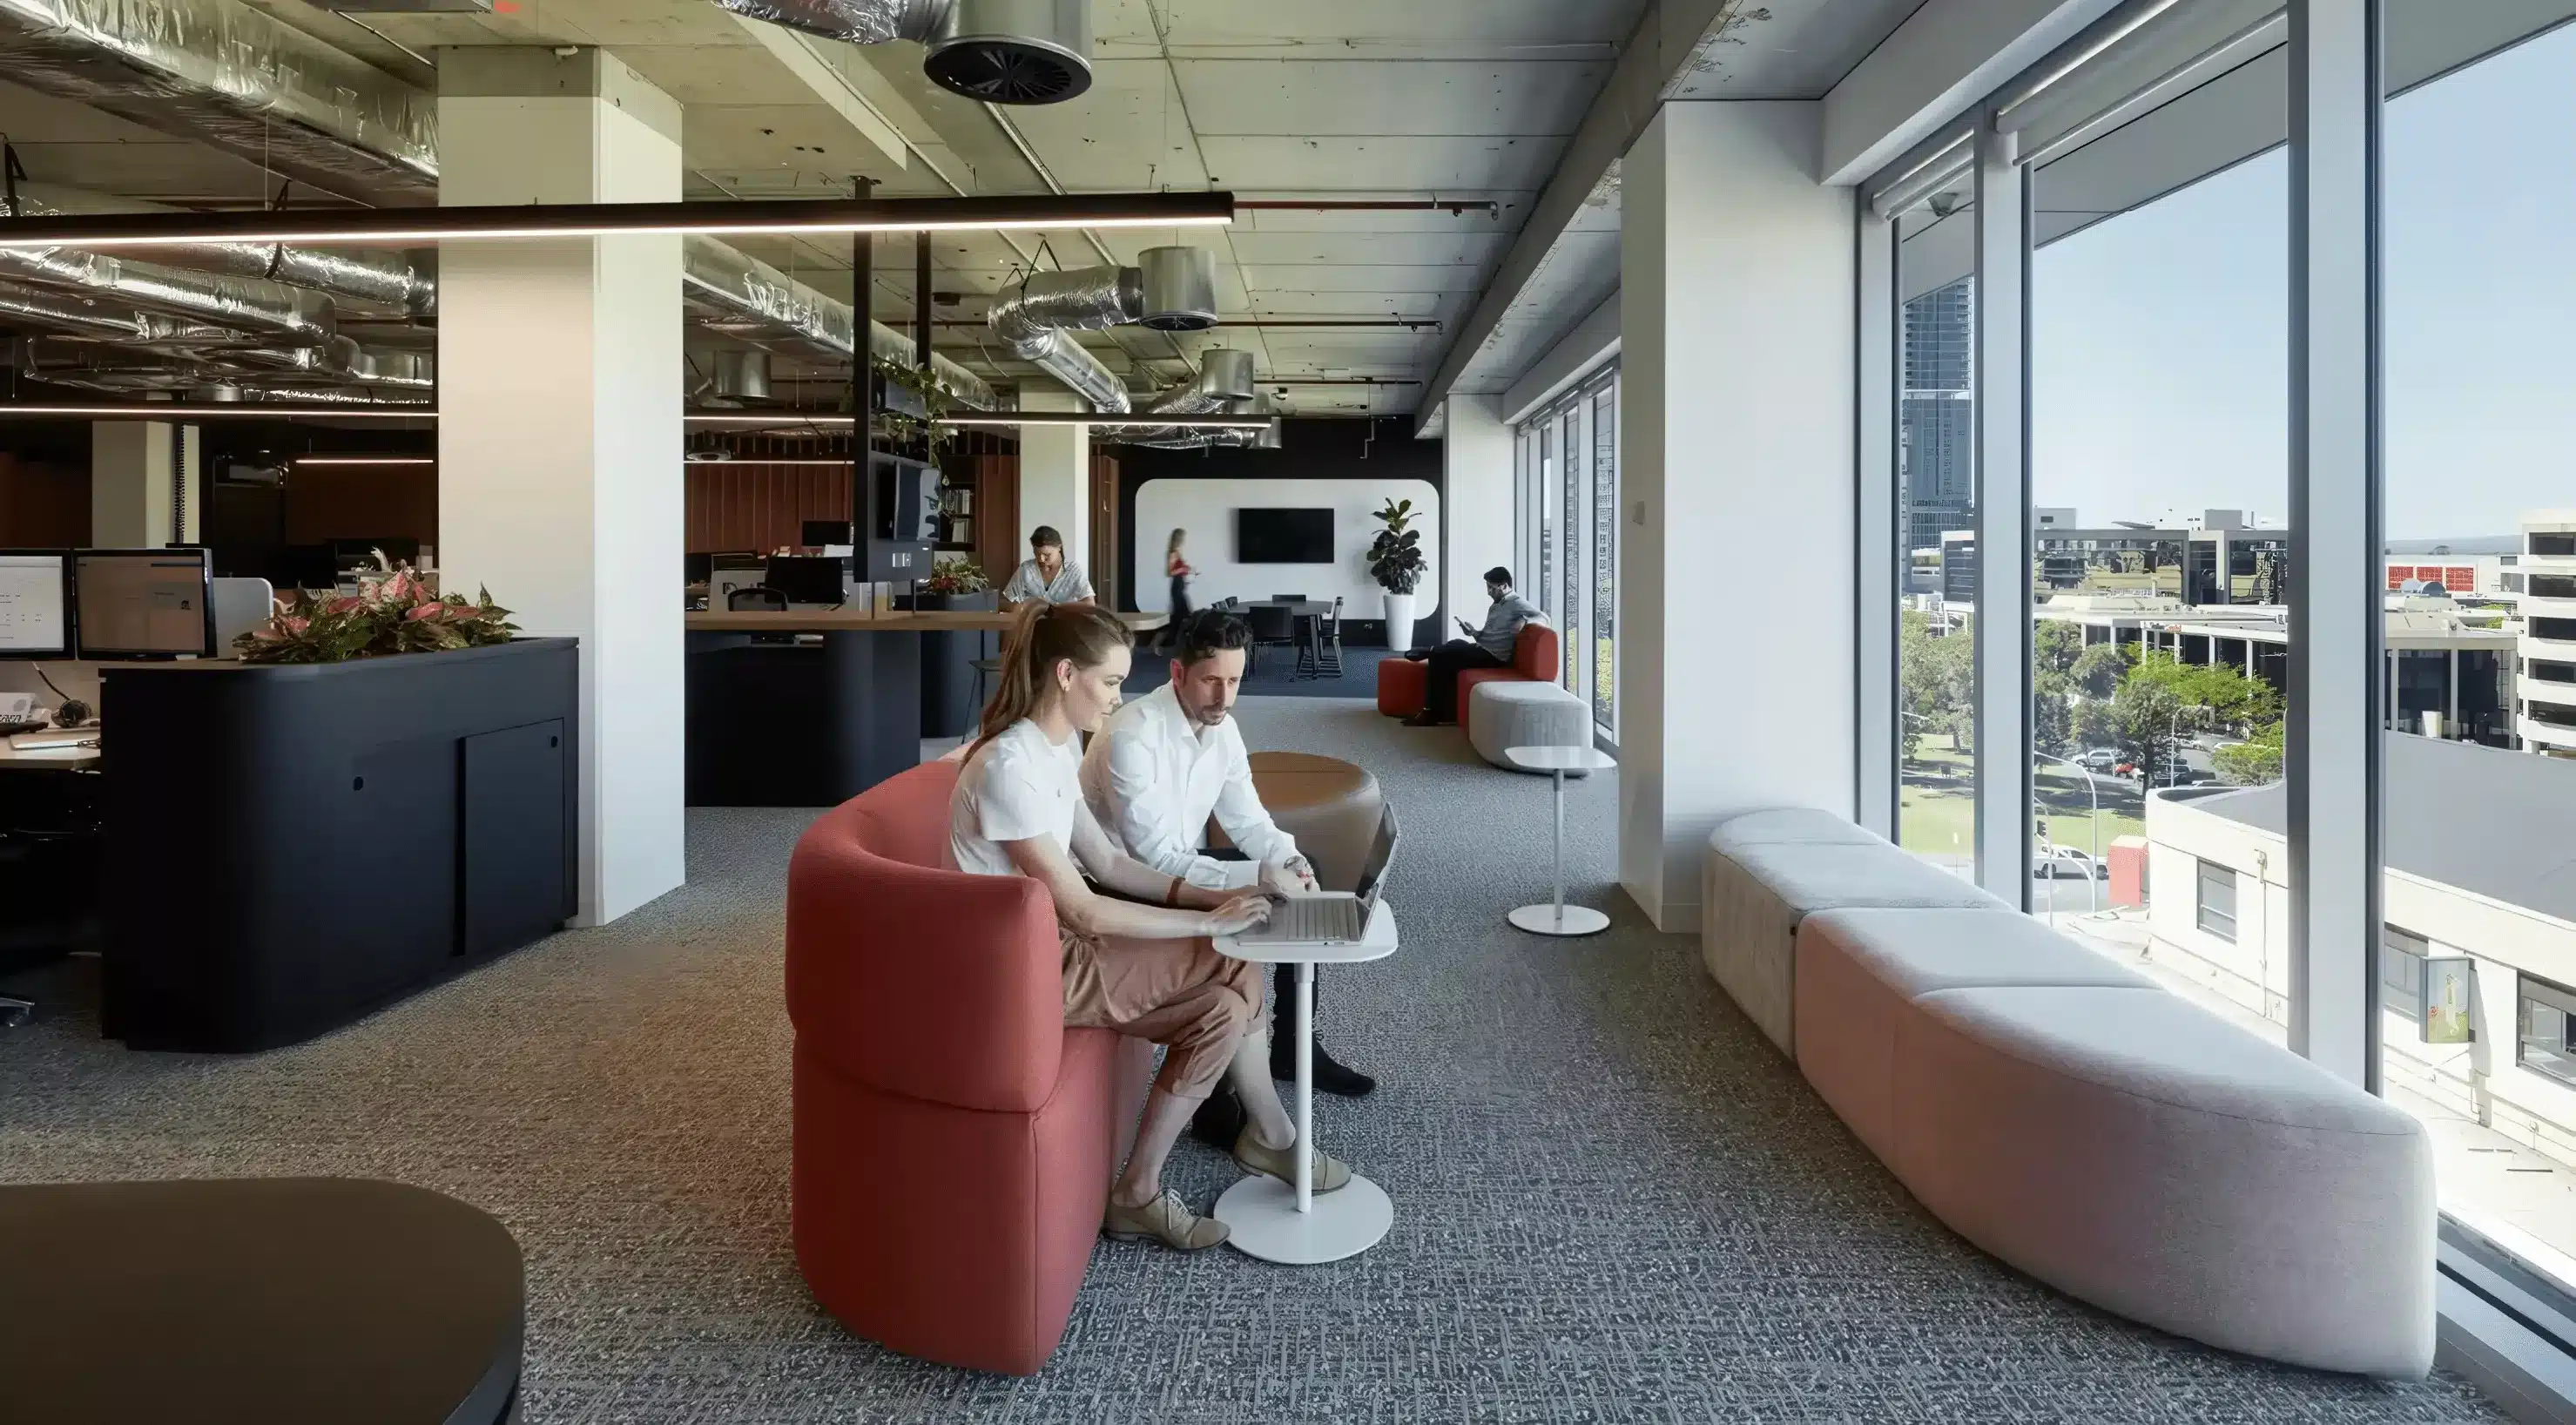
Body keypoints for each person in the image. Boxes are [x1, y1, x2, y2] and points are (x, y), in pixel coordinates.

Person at [948, 601, 1352, 1253]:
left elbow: (1105, 859)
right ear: (1064, 675)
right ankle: (1270, 1139)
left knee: (1224, 1007)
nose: (1116, 697)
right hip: (1021, 968)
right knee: (1234, 959)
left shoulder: (1050, 750)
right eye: (1109, 682)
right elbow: (1085, 903)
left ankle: (1138, 1190)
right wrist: (1208, 920)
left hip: (1061, 943)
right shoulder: (1008, 766)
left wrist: (1217, 897)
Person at [1079, 610, 1380, 1148]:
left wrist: (1289, 862)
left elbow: (1248, 819)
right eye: (1212, 681)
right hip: (1119, 883)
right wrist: (1254, 880)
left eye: (1235, 681)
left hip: (1176, 865)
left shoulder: (1224, 729)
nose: (1224, 696)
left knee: (1290, 874)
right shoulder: (1132, 735)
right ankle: (1216, 1098)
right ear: (1177, 674)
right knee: (1260, 899)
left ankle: (1292, 1042)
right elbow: (1151, 857)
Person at [1403, 565, 1544, 727]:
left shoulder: (1517, 603)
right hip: (1483, 648)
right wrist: (1474, 632)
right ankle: (1447, 711)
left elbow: (1544, 617)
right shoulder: (1496, 605)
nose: (1489, 592)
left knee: (1440, 656)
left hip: (1494, 657)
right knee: (1454, 644)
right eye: (1488, 587)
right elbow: (1489, 636)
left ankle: (1430, 711)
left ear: (1504, 586)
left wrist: (1524, 620)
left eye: (1492, 588)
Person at [1000, 525, 1095, 608]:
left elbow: (1089, 604)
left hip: (1066, 625)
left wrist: (1059, 607)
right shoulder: (1026, 569)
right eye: (1037, 554)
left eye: (1047, 555)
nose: (1041, 559)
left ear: (1059, 548)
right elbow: (1005, 601)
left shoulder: (1073, 570)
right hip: (1032, 625)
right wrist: (1022, 607)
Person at [1159, 527, 1195, 651]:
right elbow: (1169, 572)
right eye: (1183, 538)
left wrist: (1187, 570)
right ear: (1179, 539)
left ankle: (1168, 642)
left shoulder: (1177, 552)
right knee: (1185, 614)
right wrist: (1183, 569)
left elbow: (1179, 570)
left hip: (1180, 585)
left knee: (1178, 616)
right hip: (1176, 586)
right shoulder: (1172, 553)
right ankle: (1163, 642)